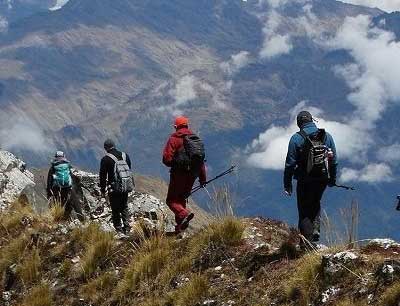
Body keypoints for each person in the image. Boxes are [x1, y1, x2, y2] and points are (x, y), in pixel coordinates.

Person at [284, 111, 338, 246]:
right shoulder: (326, 136)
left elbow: (290, 164)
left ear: (299, 123)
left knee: (304, 209)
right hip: (322, 179)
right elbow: (334, 161)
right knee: (315, 202)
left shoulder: (296, 139)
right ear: (312, 120)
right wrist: (332, 179)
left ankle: (306, 245)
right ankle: (315, 232)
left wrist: (287, 184)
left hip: (304, 179)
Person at [162, 116, 207, 233]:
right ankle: (179, 228)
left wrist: (175, 164)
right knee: (181, 199)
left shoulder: (174, 139)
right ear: (187, 125)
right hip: (193, 175)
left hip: (178, 174)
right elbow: (200, 161)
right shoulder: (195, 140)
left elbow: (166, 159)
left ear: (175, 127)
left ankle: (184, 214)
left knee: (171, 200)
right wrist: (203, 179)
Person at [100, 139, 133, 234]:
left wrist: (102, 189)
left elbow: (102, 175)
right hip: (125, 185)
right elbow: (129, 169)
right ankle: (127, 228)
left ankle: (119, 229)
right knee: (124, 206)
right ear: (114, 145)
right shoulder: (125, 155)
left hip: (113, 187)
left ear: (105, 148)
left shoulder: (105, 159)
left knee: (115, 208)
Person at [47, 151, 84, 221]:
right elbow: (73, 177)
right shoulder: (68, 166)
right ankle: (82, 220)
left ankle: (58, 221)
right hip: (68, 189)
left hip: (56, 190)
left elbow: (49, 183)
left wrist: (49, 194)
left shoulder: (53, 167)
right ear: (64, 156)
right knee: (75, 204)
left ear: (55, 157)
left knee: (58, 206)